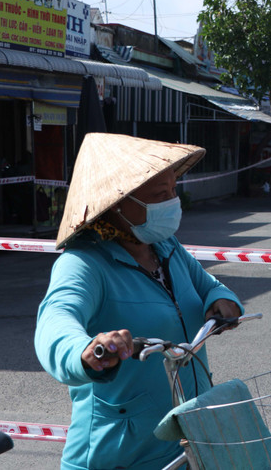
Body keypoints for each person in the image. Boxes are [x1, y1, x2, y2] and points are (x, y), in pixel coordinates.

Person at [35, 133, 243, 470]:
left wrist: (223, 301)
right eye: (160, 195)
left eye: (174, 191)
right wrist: (87, 351)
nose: (172, 202)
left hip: (188, 442)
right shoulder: (84, 264)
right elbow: (55, 321)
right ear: (117, 204)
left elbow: (210, 286)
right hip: (121, 456)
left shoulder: (167, 247)